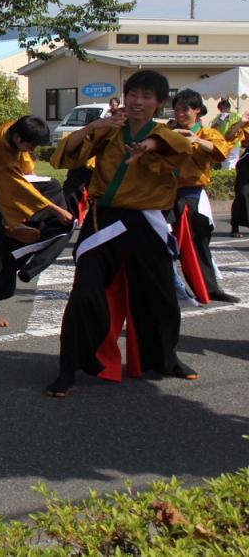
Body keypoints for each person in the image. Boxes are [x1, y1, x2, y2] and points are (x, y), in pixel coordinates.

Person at [47, 70, 197, 398]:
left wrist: (148, 144)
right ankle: (68, 368)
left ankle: (166, 358)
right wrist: (94, 126)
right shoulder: (109, 129)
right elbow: (65, 156)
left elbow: (179, 147)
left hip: (146, 221)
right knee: (85, 293)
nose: (138, 101)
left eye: (146, 96)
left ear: (159, 102)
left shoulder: (165, 133)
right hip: (104, 220)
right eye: (133, 94)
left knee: (161, 297)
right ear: (125, 96)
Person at [0, 116, 73, 327]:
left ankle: (17, 227)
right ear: (18, 138)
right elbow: (18, 187)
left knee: (54, 189)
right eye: (32, 145)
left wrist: (53, 207)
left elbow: (25, 164)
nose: (32, 149)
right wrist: (55, 209)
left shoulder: (13, 129)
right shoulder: (1, 152)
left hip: (6, 192)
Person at [168, 89, 238, 304]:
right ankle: (169, 289)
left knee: (199, 243)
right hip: (164, 195)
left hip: (192, 195)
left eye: (184, 109)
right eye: (176, 109)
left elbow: (221, 151)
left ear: (197, 110)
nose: (180, 114)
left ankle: (208, 288)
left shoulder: (207, 133)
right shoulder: (167, 131)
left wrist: (195, 139)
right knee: (164, 244)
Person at [226, 114, 249, 238]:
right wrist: (241, 122)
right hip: (247, 164)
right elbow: (229, 137)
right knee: (242, 193)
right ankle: (235, 226)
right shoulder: (246, 124)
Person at [211, 98, 242, 170]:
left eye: (224, 108)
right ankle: (226, 175)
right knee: (224, 162)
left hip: (234, 143)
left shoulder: (237, 116)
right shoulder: (218, 117)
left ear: (229, 108)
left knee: (232, 163)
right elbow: (212, 129)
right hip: (222, 143)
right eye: (221, 109)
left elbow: (242, 127)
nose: (223, 110)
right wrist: (219, 121)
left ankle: (230, 175)